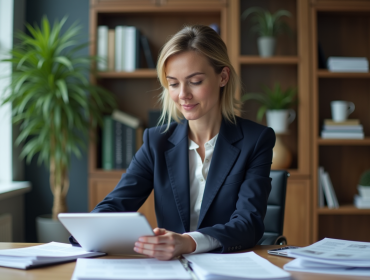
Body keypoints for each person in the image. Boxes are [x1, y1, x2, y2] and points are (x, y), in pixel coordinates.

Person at [91, 25, 275, 260]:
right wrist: (90, 231)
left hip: (229, 265)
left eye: (195, 81)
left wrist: (188, 242)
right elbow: (115, 205)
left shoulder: (256, 140)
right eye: (174, 83)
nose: (182, 95)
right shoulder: (156, 141)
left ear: (223, 77)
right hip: (170, 269)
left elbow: (248, 223)